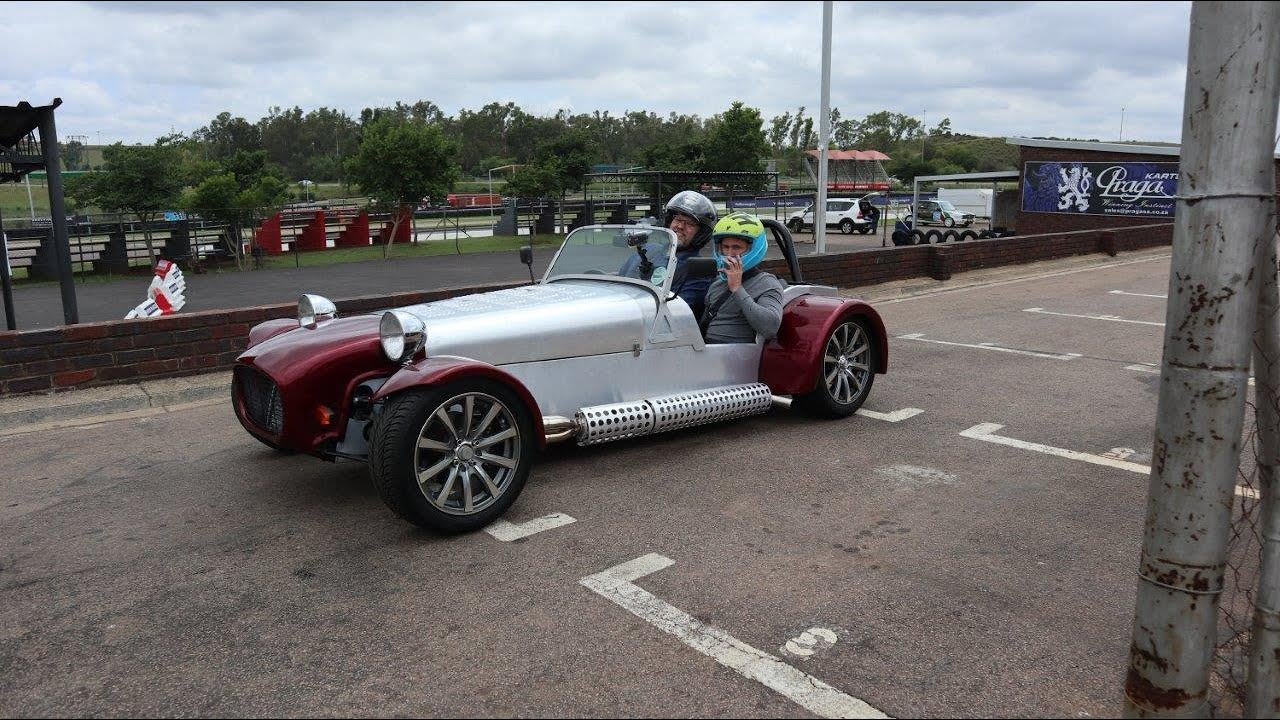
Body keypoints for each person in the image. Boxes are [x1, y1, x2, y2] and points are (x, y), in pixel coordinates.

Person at [701, 212, 784, 344]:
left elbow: (770, 328)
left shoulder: (767, 283)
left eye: (736, 248)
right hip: (708, 351)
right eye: (725, 247)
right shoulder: (717, 283)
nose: (729, 254)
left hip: (739, 355)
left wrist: (737, 288)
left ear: (753, 249)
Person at [657, 190, 718, 318]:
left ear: (701, 233)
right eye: (678, 219)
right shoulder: (648, 251)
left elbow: (677, 311)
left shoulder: (697, 269)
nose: (680, 226)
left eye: (689, 224)